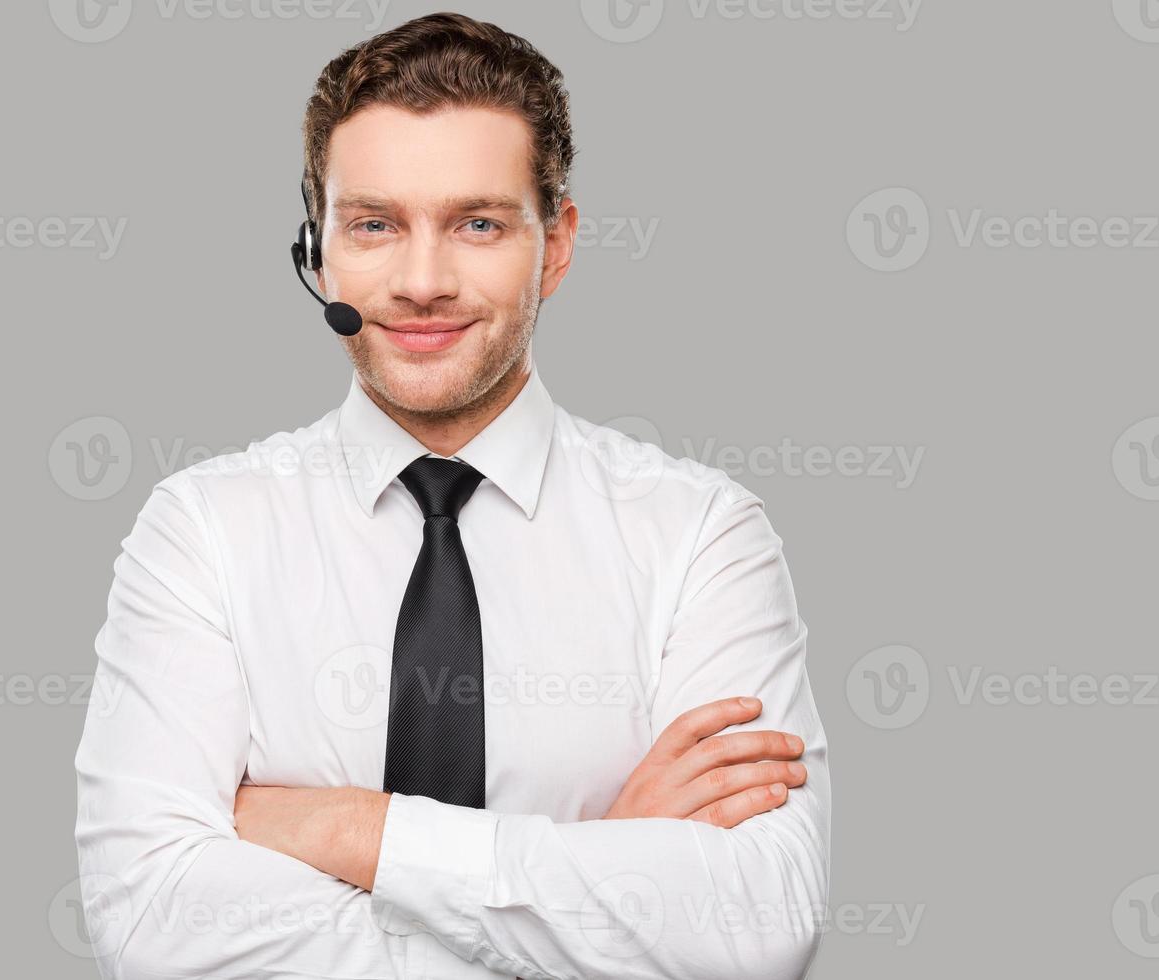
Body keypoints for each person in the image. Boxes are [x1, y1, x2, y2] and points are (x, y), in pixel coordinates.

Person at [74, 12, 830, 979]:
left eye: (477, 224)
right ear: (317, 250)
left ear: (554, 244)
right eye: (375, 226)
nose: (421, 282)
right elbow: (152, 928)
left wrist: (349, 829)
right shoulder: (203, 532)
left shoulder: (699, 536)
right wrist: (599, 861)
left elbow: (754, 930)